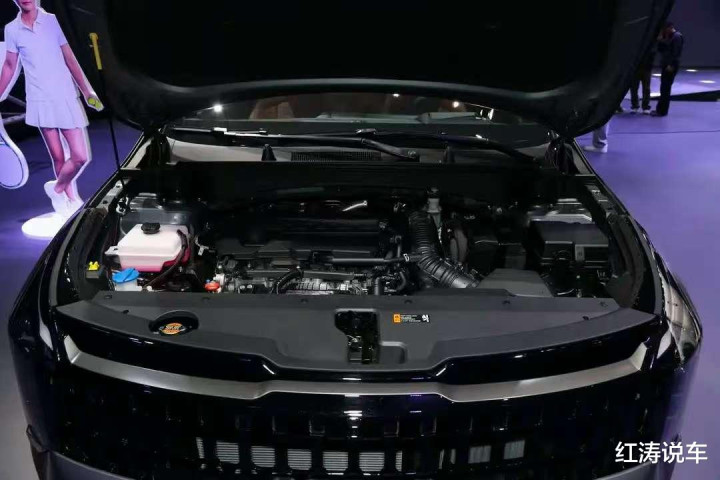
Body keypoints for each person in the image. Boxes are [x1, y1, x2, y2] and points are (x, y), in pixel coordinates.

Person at [0, 0, 102, 216]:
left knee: (80, 156)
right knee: (57, 157)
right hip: (39, 99)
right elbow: (9, 65)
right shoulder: (12, 29)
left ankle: (56, 189)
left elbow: (69, 57)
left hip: (64, 95)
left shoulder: (53, 21)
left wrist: (87, 91)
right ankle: (70, 199)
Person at [652, 21, 683, 117]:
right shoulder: (668, 37)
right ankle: (660, 109)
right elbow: (661, 50)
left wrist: (671, 65)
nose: (664, 32)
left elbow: (676, 52)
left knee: (666, 88)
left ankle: (662, 111)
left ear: (670, 27)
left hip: (671, 66)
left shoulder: (677, 37)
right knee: (663, 88)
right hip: (666, 65)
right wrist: (661, 40)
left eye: (665, 29)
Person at [631, 45, 655, 114]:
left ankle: (645, 107)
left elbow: (653, 53)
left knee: (646, 88)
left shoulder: (650, 44)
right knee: (634, 87)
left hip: (646, 68)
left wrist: (650, 65)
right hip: (636, 68)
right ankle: (635, 106)